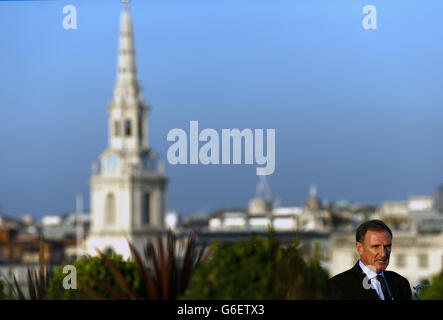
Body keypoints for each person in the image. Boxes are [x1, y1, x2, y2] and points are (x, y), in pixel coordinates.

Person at [325, 220, 412, 300]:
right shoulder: (338, 286)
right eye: (376, 246)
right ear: (360, 248)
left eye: (387, 246)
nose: (383, 254)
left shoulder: (401, 283)